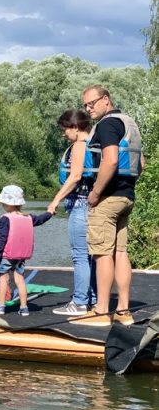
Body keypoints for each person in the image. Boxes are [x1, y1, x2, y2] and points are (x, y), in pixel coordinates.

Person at [72, 85, 144, 327]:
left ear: (106, 100)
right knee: (120, 252)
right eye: (85, 105)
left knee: (102, 253)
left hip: (108, 199)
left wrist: (96, 192)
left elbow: (111, 160)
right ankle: (124, 310)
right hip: (127, 197)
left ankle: (101, 311)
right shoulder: (128, 122)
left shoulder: (107, 125)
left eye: (92, 103)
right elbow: (140, 163)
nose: (88, 108)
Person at [46, 109, 97, 316]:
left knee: (80, 256)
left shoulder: (79, 145)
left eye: (65, 129)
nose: (64, 134)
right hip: (92, 205)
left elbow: (75, 176)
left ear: (76, 127)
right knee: (91, 256)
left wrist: (55, 200)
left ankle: (79, 302)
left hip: (80, 205)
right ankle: (92, 299)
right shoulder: (96, 143)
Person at [0, 185, 52, 316]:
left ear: (7, 204)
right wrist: (50, 213)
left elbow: (1, 240)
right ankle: (24, 308)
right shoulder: (28, 217)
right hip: (21, 257)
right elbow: (40, 219)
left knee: (3, 279)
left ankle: (0, 306)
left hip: (6, 256)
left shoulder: (5, 220)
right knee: (20, 280)